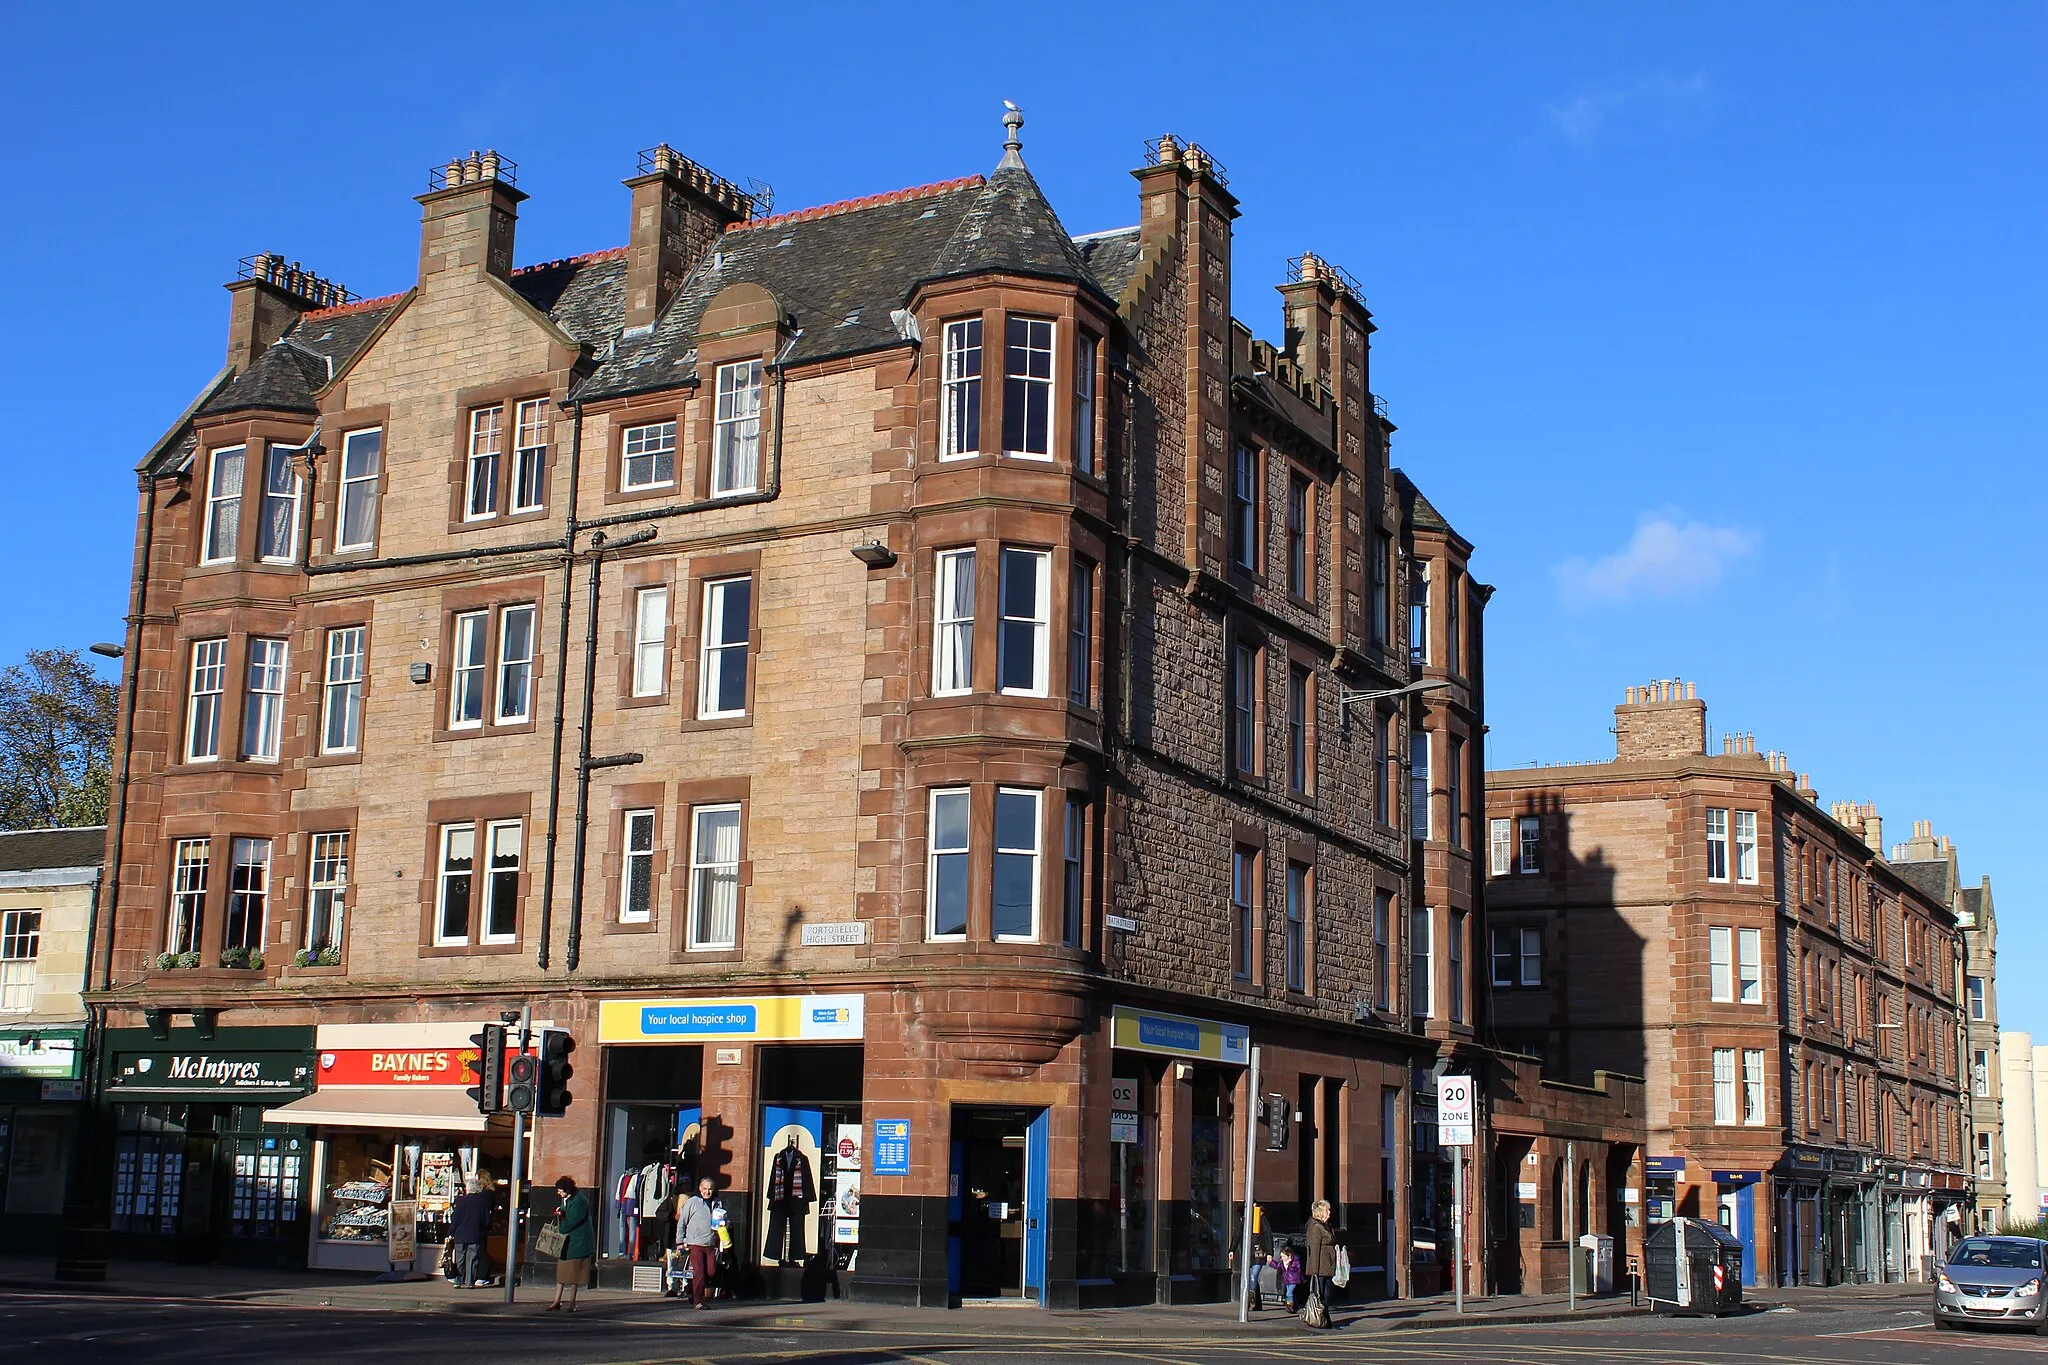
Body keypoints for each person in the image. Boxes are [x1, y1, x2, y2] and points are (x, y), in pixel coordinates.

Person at [546, 1176, 596, 1312]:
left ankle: (571, 1302)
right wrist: (560, 1211)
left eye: (560, 1191)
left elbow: (570, 1222)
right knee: (561, 1273)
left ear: (567, 1190)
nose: (558, 1193)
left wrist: (561, 1225)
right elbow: (564, 1209)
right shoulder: (568, 1198)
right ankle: (557, 1301)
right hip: (569, 1242)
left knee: (574, 1274)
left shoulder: (580, 1202)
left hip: (578, 1241)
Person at [675, 1176, 724, 1310]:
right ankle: (698, 1301)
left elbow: (723, 1222)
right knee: (699, 1272)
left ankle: (691, 1288)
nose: (707, 1192)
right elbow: (682, 1222)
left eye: (710, 1189)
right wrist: (680, 1241)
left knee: (711, 1271)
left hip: (710, 1243)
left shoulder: (717, 1203)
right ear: (700, 1189)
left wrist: (725, 1226)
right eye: (705, 1189)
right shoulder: (692, 1202)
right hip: (695, 1243)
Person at [448, 1175, 495, 1288]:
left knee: (459, 1260)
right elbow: (486, 1220)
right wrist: (485, 1230)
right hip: (475, 1235)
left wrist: (450, 1232)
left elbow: (455, 1219)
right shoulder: (483, 1202)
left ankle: (459, 1279)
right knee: (472, 1260)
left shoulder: (461, 1201)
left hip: (460, 1235)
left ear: (468, 1188)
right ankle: (469, 1282)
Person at [1303, 1199, 1338, 1315]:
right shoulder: (1315, 1227)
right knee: (1321, 1296)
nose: (1329, 1213)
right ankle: (1320, 1319)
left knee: (1326, 1297)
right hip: (1320, 1269)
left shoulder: (1326, 1225)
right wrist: (1314, 1272)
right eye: (1326, 1210)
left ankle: (1325, 1319)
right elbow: (1314, 1249)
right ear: (1319, 1212)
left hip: (1327, 1266)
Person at [1268, 1244, 1305, 1312]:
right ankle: (1292, 1305)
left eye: (1284, 1256)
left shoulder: (1295, 1260)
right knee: (1289, 1293)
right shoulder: (1282, 1262)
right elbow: (1277, 1266)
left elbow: (1299, 1268)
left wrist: (1290, 1265)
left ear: (1289, 1255)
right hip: (1287, 1280)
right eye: (1281, 1256)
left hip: (1294, 1280)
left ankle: (1290, 1306)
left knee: (1289, 1293)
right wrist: (1271, 1262)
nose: (1282, 1258)